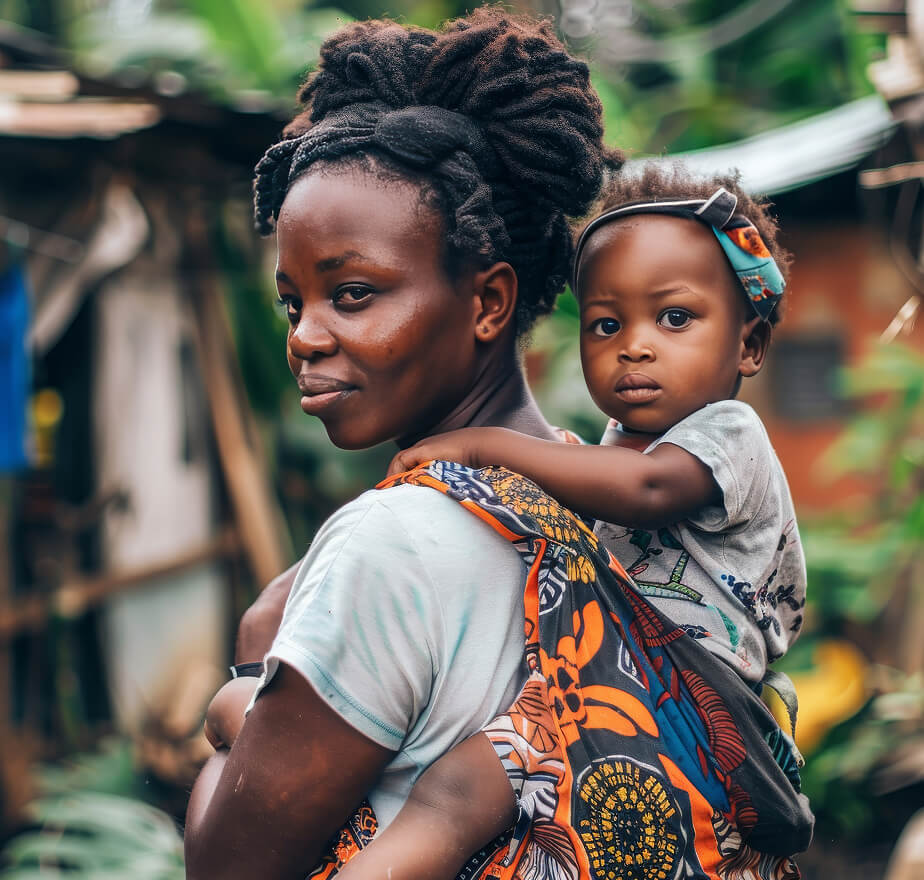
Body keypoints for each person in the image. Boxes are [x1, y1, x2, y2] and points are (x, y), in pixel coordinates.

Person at [183, 9, 617, 879]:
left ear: (490, 302)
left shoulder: (391, 546)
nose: (303, 335)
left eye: (351, 294)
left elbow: (226, 866)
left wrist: (249, 675)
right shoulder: (587, 484)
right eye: (292, 301)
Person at [341, 163, 808, 879]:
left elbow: (645, 491)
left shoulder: (728, 436)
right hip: (614, 689)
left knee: (460, 793)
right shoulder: (612, 448)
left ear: (747, 345)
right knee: (457, 792)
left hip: (688, 702)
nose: (636, 345)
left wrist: (488, 446)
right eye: (606, 323)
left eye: (675, 317)